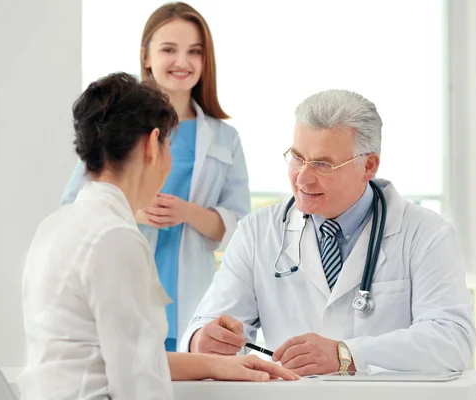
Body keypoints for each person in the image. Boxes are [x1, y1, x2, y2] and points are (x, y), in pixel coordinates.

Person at [18, 73, 298, 400]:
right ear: (153, 144)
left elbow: (116, 357)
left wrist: (215, 366)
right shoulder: (115, 238)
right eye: (169, 145)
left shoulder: (55, 226)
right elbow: (138, 385)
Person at [180, 89, 476, 376]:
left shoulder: (425, 234)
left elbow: (453, 340)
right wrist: (203, 340)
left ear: (368, 166)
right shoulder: (257, 233)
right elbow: (207, 324)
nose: (303, 177)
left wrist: (347, 354)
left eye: (322, 164)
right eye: (297, 158)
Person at [60, 2, 250, 352]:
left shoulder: (225, 139)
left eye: (195, 51)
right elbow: (74, 205)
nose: (183, 61)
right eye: (169, 49)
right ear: (145, 56)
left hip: (191, 293)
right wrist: (133, 210)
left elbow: (240, 228)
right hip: (123, 283)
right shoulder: (118, 127)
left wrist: (186, 212)